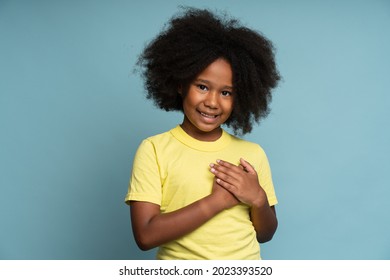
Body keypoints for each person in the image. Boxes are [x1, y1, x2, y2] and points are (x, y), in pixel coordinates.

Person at [125, 7, 280, 260]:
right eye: (202, 86)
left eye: (226, 92)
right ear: (180, 83)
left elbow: (266, 233)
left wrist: (258, 199)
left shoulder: (252, 154)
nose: (212, 102)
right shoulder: (154, 149)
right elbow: (145, 236)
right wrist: (216, 202)